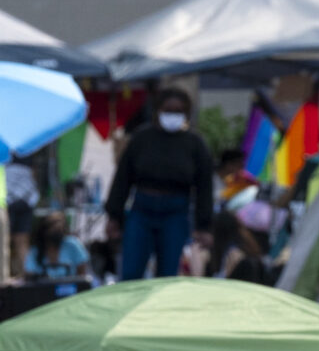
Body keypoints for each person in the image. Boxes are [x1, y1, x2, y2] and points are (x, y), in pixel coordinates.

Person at [105, 90, 214, 280]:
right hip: (142, 209)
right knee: (131, 271)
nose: (173, 114)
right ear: (157, 111)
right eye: (168, 110)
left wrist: (204, 226)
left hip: (176, 212)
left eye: (178, 111)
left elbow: (205, 188)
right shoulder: (141, 139)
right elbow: (122, 178)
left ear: (186, 113)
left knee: (167, 274)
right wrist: (114, 215)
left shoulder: (194, 144)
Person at [21, 213, 89, 281]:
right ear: (44, 231)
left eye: (60, 230)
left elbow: (82, 273)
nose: (57, 233)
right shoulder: (34, 252)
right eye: (53, 230)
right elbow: (29, 274)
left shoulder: (72, 245)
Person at [5, 154, 39, 281]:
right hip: (26, 196)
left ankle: (24, 276)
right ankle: (25, 276)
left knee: (12, 240)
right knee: (21, 241)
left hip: (11, 196)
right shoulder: (26, 146)